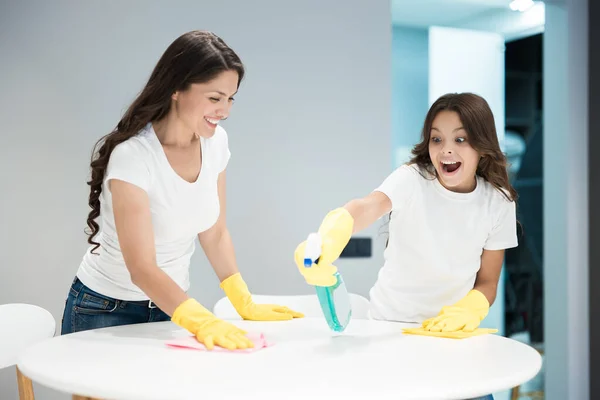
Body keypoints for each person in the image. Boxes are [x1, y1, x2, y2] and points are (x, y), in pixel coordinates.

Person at [61, 30, 303, 350]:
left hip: (169, 308)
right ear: (177, 89)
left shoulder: (216, 143)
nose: (225, 110)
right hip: (104, 310)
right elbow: (142, 267)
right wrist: (200, 320)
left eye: (230, 98)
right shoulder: (134, 157)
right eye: (214, 98)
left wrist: (242, 300)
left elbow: (214, 232)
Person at [294, 92, 518, 400]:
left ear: (482, 145)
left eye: (461, 139)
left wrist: (471, 308)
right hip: (391, 331)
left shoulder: (498, 202)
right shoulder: (412, 179)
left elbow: (488, 282)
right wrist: (334, 232)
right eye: (436, 139)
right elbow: (366, 207)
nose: (446, 150)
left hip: (452, 337)